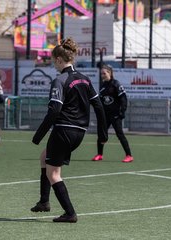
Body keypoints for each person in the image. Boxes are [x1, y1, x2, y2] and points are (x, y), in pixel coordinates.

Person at [31, 37, 108, 223]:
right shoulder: (85, 79)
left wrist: (38, 135)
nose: (52, 64)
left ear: (59, 59)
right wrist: (103, 133)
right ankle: (44, 202)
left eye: (52, 60)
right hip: (79, 132)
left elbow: (55, 110)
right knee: (45, 157)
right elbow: (98, 106)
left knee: (53, 174)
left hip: (63, 130)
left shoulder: (60, 80)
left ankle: (70, 213)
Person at [91, 64, 133, 163]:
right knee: (101, 134)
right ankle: (99, 154)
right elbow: (100, 101)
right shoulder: (103, 86)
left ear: (109, 73)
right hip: (106, 115)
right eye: (101, 74)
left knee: (120, 134)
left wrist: (122, 112)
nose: (102, 75)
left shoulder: (116, 84)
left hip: (115, 115)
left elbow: (123, 99)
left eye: (104, 73)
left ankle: (129, 155)